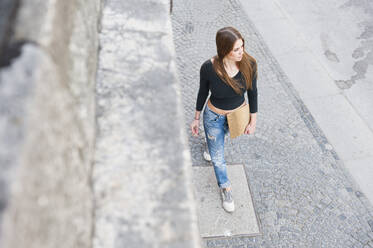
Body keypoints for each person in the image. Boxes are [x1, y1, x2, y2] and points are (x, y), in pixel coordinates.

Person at [190, 26, 258, 213]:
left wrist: (253, 121)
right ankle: (225, 187)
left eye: (242, 46)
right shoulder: (208, 68)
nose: (241, 52)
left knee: (219, 141)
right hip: (213, 117)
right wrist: (196, 118)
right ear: (224, 50)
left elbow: (253, 93)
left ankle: (211, 146)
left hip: (237, 116)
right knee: (218, 158)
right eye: (236, 49)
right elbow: (202, 92)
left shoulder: (249, 64)